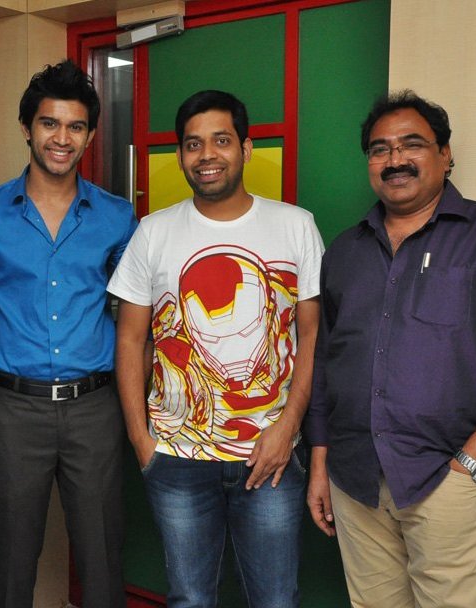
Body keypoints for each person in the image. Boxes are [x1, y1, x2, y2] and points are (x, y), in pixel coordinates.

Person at [305, 90, 476, 608]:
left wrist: (473, 460)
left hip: (448, 481)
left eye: (412, 144)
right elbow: (325, 362)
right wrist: (320, 463)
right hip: (355, 480)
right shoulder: (344, 251)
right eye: (380, 149)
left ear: (445, 154)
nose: (395, 159)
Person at [109, 90, 323, 608]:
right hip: (176, 460)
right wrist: (142, 441)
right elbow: (131, 338)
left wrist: (288, 427)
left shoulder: (296, 225)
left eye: (221, 141)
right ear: (181, 155)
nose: (206, 155)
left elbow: (313, 334)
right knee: (189, 599)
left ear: (246, 149)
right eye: (193, 144)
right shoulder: (153, 232)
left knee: (276, 600)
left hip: (271, 458)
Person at [0, 59, 137, 608]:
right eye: (50, 123)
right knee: (12, 564)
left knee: (103, 559)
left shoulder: (117, 217)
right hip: (13, 410)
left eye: (76, 126)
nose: (62, 138)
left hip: (95, 409)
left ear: (89, 135)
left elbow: (140, 319)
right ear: (27, 128)